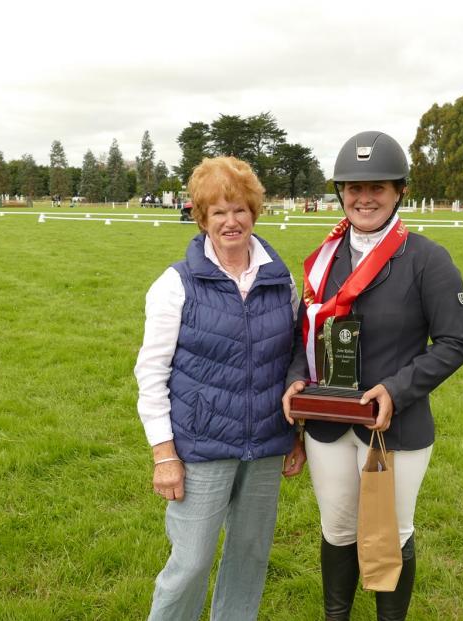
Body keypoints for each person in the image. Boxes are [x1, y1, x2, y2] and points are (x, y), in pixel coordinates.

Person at [282, 131, 463, 621]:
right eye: (354, 188)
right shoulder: (327, 257)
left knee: (391, 531)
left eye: (378, 188)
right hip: (328, 423)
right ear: (341, 192)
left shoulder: (428, 259)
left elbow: (455, 343)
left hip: (394, 427)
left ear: (399, 192)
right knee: (338, 527)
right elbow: (306, 330)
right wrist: (297, 378)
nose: (364, 198)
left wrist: (396, 388)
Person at [135, 155, 305, 620]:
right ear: (201, 218)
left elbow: (294, 354)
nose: (231, 222)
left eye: (240, 210)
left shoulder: (279, 278)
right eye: (218, 212)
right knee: (189, 564)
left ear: (254, 211)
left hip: (267, 444)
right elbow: (151, 373)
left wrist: (297, 433)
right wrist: (164, 455)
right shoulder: (176, 284)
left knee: (249, 558)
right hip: (202, 447)